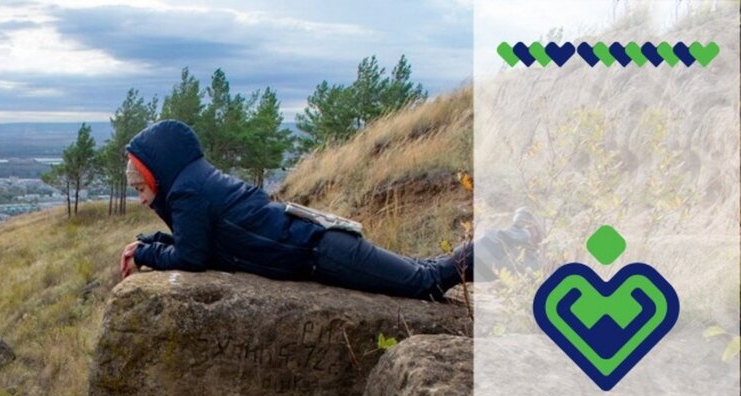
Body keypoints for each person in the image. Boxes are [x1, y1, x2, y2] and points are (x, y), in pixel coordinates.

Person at [119, 120, 537, 299]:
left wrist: (145, 253)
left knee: (426, 281)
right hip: (318, 246)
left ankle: (517, 237)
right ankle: (517, 244)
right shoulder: (193, 183)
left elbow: (191, 257)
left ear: (160, 172)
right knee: (425, 269)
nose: (140, 197)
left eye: (141, 186)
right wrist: (149, 242)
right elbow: (203, 246)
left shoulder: (188, 194)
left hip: (323, 251)